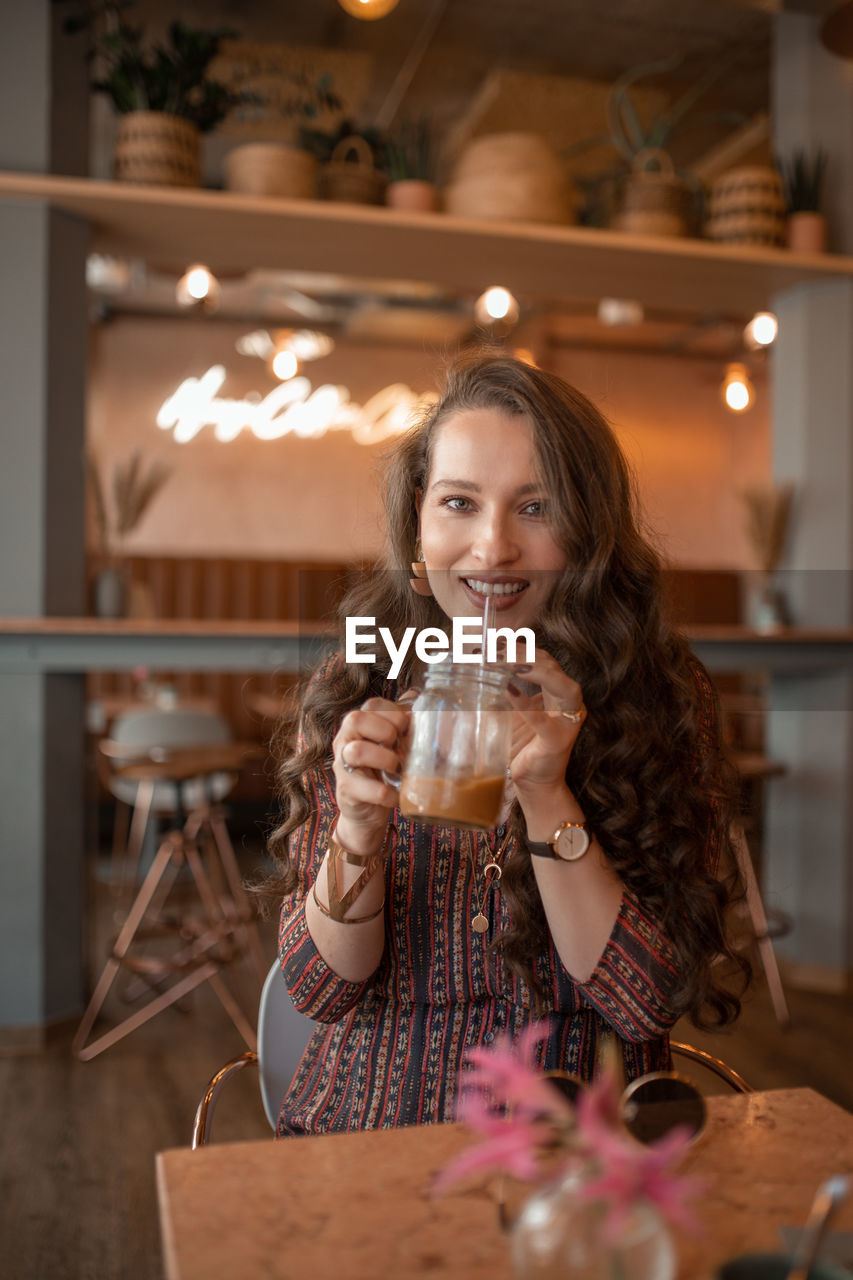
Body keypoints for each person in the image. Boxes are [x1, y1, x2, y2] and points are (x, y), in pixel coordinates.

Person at [265, 349, 748, 1136]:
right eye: (459, 503)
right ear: (418, 520)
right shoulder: (365, 678)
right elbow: (319, 989)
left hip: (574, 1148)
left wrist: (546, 789)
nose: (492, 549)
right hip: (370, 1134)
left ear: (586, 532)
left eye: (536, 507)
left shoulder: (655, 692)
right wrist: (357, 830)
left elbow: (645, 1002)